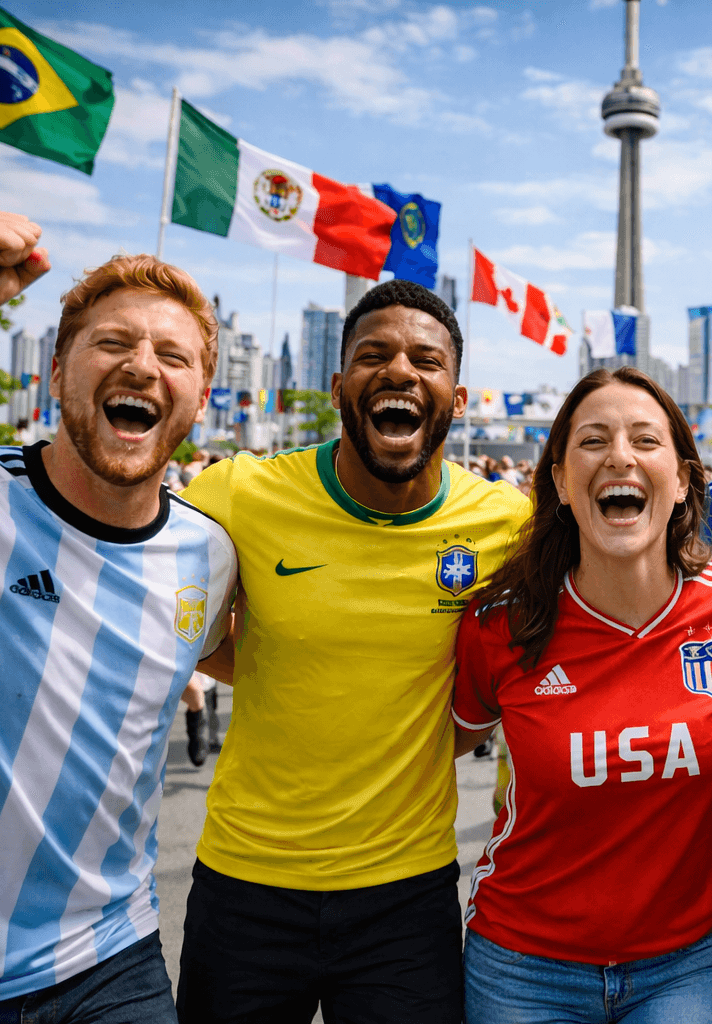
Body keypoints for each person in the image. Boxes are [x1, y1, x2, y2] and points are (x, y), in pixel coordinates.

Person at [0, 203, 236, 1019]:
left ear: (200, 398)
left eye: (171, 355)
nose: (143, 365)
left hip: (113, 958)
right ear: (58, 370)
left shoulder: (207, 554)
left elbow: (254, 659)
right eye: (112, 344)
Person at [174, 279, 530, 1023]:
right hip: (246, 884)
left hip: (407, 897)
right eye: (374, 355)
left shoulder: (507, 521)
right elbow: (172, 626)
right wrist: (278, 664)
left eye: (426, 361)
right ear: (339, 387)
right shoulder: (238, 492)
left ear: (457, 400)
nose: (399, 372)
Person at [451, 367, 712, 1024]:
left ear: (684, 476)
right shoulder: (501, 622)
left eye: (644, 439)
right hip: (523, 961)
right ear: (558, 480)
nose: (620, 457)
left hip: (693, 958)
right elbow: (444, 743)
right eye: (594, 441)